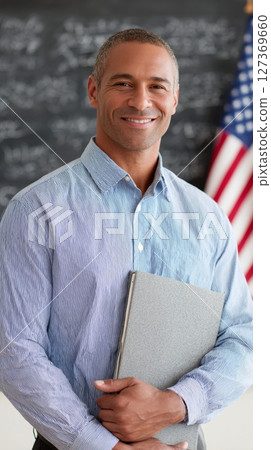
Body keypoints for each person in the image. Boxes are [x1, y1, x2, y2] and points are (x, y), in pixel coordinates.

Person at [0, 29, 252, 450]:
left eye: (157, 86)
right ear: (94, 91)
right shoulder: (36, 210)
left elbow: (244, 336)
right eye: (123, 84)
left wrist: (174, 404)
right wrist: (106, 447)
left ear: (175, 99)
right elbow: (14, 350)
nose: (141, 101)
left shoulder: (207, 217)